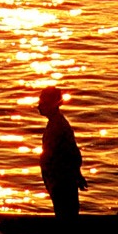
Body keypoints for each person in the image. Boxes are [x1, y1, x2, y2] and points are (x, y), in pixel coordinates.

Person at [37, 87, 86, 222]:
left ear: (53, 104)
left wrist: (76, 174)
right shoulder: (55, 123)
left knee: (65, 217)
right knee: (65, 215)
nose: (39, 106)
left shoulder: (59, 126)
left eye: (43, 102)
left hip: (61, 180)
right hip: (57, 179)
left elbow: (72, 153)